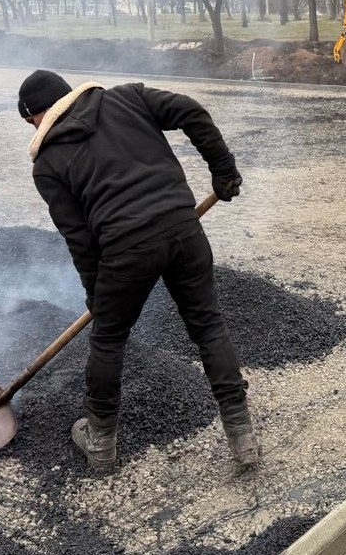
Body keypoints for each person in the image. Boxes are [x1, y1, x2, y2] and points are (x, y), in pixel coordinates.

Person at [18, 69, 260, 472]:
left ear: (39, 112)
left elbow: (79, 238)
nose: (33, 129)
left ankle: (101, 447)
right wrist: (223, 170)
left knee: (109, 339)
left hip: (126, 250)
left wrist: (97, 294)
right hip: (184, 229)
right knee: (207, 325)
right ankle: (243, 438)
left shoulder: (46, 164)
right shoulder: (129, 97)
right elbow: (192, 111)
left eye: (30, 121)